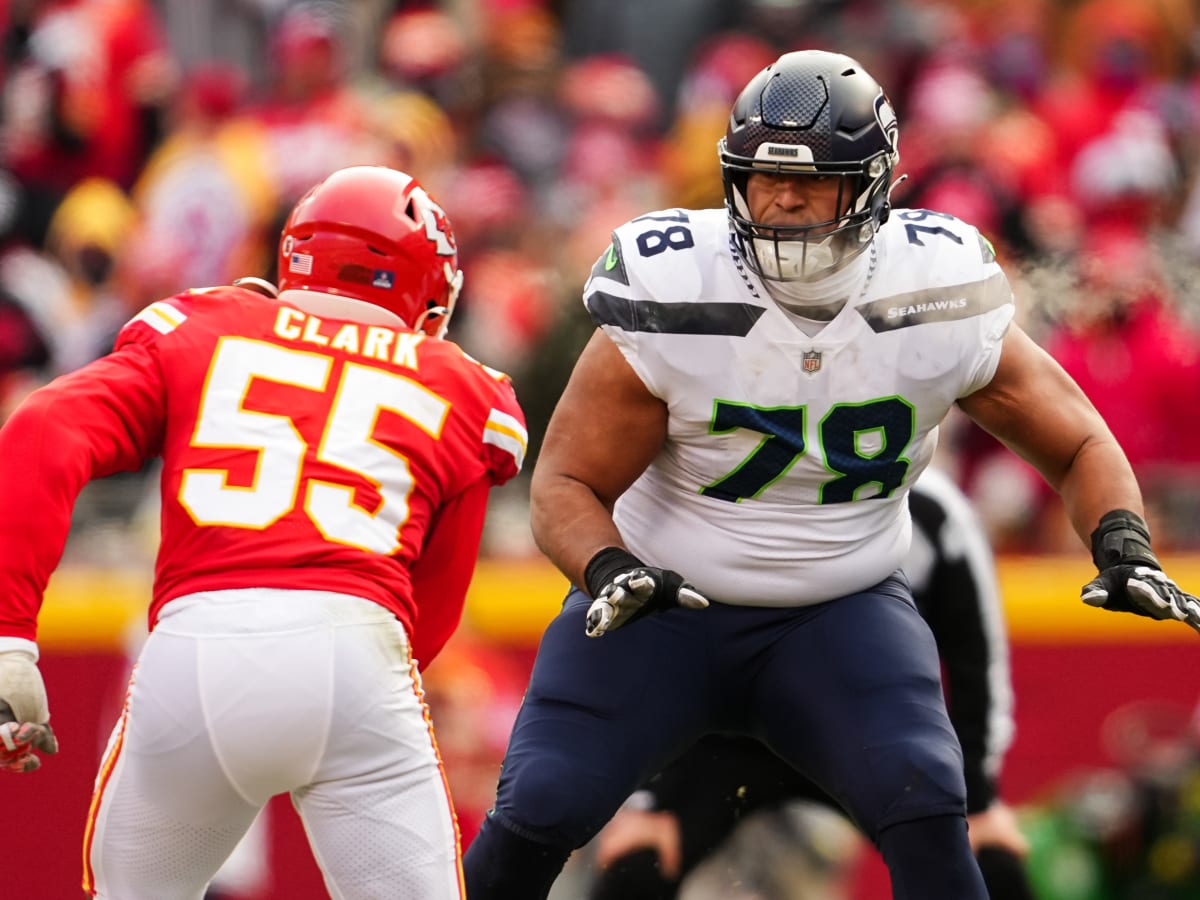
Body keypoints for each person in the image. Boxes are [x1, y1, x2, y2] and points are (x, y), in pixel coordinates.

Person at [461, 49, 1200, 900]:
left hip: (837, 611)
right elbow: (566, 484)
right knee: (542, 802)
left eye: (812, 184)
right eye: (762, 179)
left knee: (926, 794)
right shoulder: (676, 289)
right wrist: (608, 569)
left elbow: (1077, 443)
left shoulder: (934, 288)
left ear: (876, 186)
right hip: (665, 609)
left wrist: (1122, 540)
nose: (780, 200)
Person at [0, 165, 528, 899]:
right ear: (421, 289)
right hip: (357, 648)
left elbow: (41, 430)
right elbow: (430, 610)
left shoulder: (201, 325)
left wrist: (11, 635)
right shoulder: (464, 385)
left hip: (195, 647)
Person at [587, 467, 1035, 900]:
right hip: (729, 738)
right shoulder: (714, 489)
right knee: (636, 866)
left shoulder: (935, 511)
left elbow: (975, 657)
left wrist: (978, 797)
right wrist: (650, 798)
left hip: (862, 732)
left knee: (983, 864)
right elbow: (657, 644)